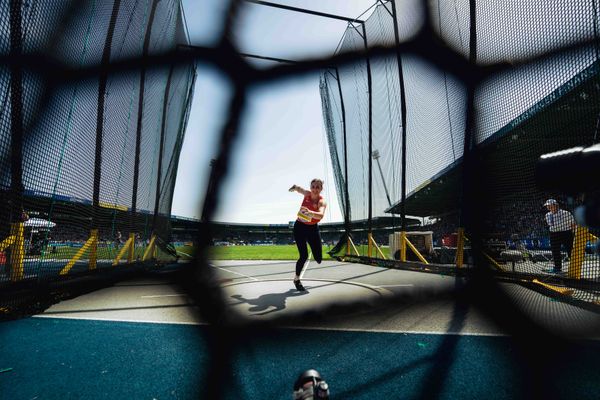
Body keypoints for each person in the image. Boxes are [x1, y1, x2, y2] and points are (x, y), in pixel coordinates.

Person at [289, 179, 327, 291]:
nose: (315, 189)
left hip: (312, 228)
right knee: (303, 255)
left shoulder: (322, 201)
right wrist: (295, 187)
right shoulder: (307, 194)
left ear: (321, 189)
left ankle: (316, 255)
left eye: (318, 187)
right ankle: (296, 279)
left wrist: (310, 213)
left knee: (318, 258)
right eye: (313, 187)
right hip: (299, 227)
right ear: (310, 188)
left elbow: (320, 215)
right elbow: (299, 189)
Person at [543, 198, 576, 274]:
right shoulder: (548, 215)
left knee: (570, 250)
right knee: (555, 251)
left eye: (550, 206)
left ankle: (574, 267)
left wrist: (574, 233)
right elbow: (551, 225)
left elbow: (573, 224)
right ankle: (557, 268)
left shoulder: (566, 213)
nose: (548, 207)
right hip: (554, 234)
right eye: (547, 206)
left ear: (555, 205)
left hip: (566, 233)